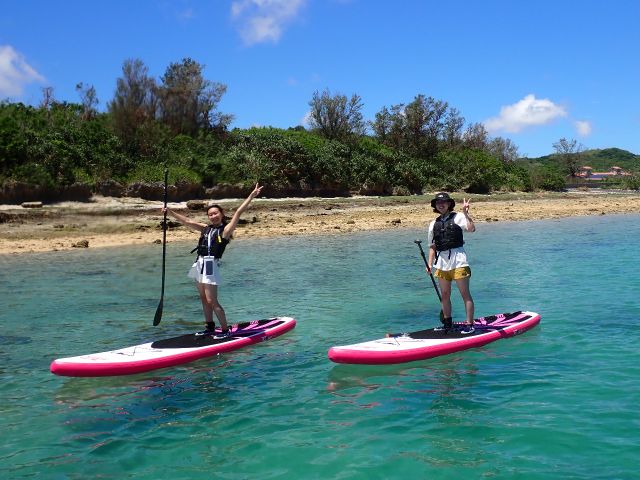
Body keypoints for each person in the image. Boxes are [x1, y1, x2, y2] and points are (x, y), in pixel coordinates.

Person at [163, 183, 264, 337]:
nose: (213, 216)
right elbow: (187, 221)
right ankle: (209, 327)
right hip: (198, 263)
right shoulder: (206, 228)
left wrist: (251, 196)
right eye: (210, 214)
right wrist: (170, 212)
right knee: (203, 299)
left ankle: (225, 330)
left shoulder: (225, 231)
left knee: (211, 300)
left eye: (216, 213)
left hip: (210, 264)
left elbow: (238, 211)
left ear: (221, 214)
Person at [426, 192, 476, 334]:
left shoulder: (459, 217)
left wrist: (466, 213)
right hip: (441, 262)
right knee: (445, 294)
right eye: (438, 203)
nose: (441, 204)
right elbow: (432, 247)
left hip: (459, 260)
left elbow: (472, 229)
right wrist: (430, 264)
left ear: (449, 204)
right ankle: (448, 323)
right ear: (435, 206)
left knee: (464, 293)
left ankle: (469, 325)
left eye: (444, 202)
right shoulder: (433, 224)